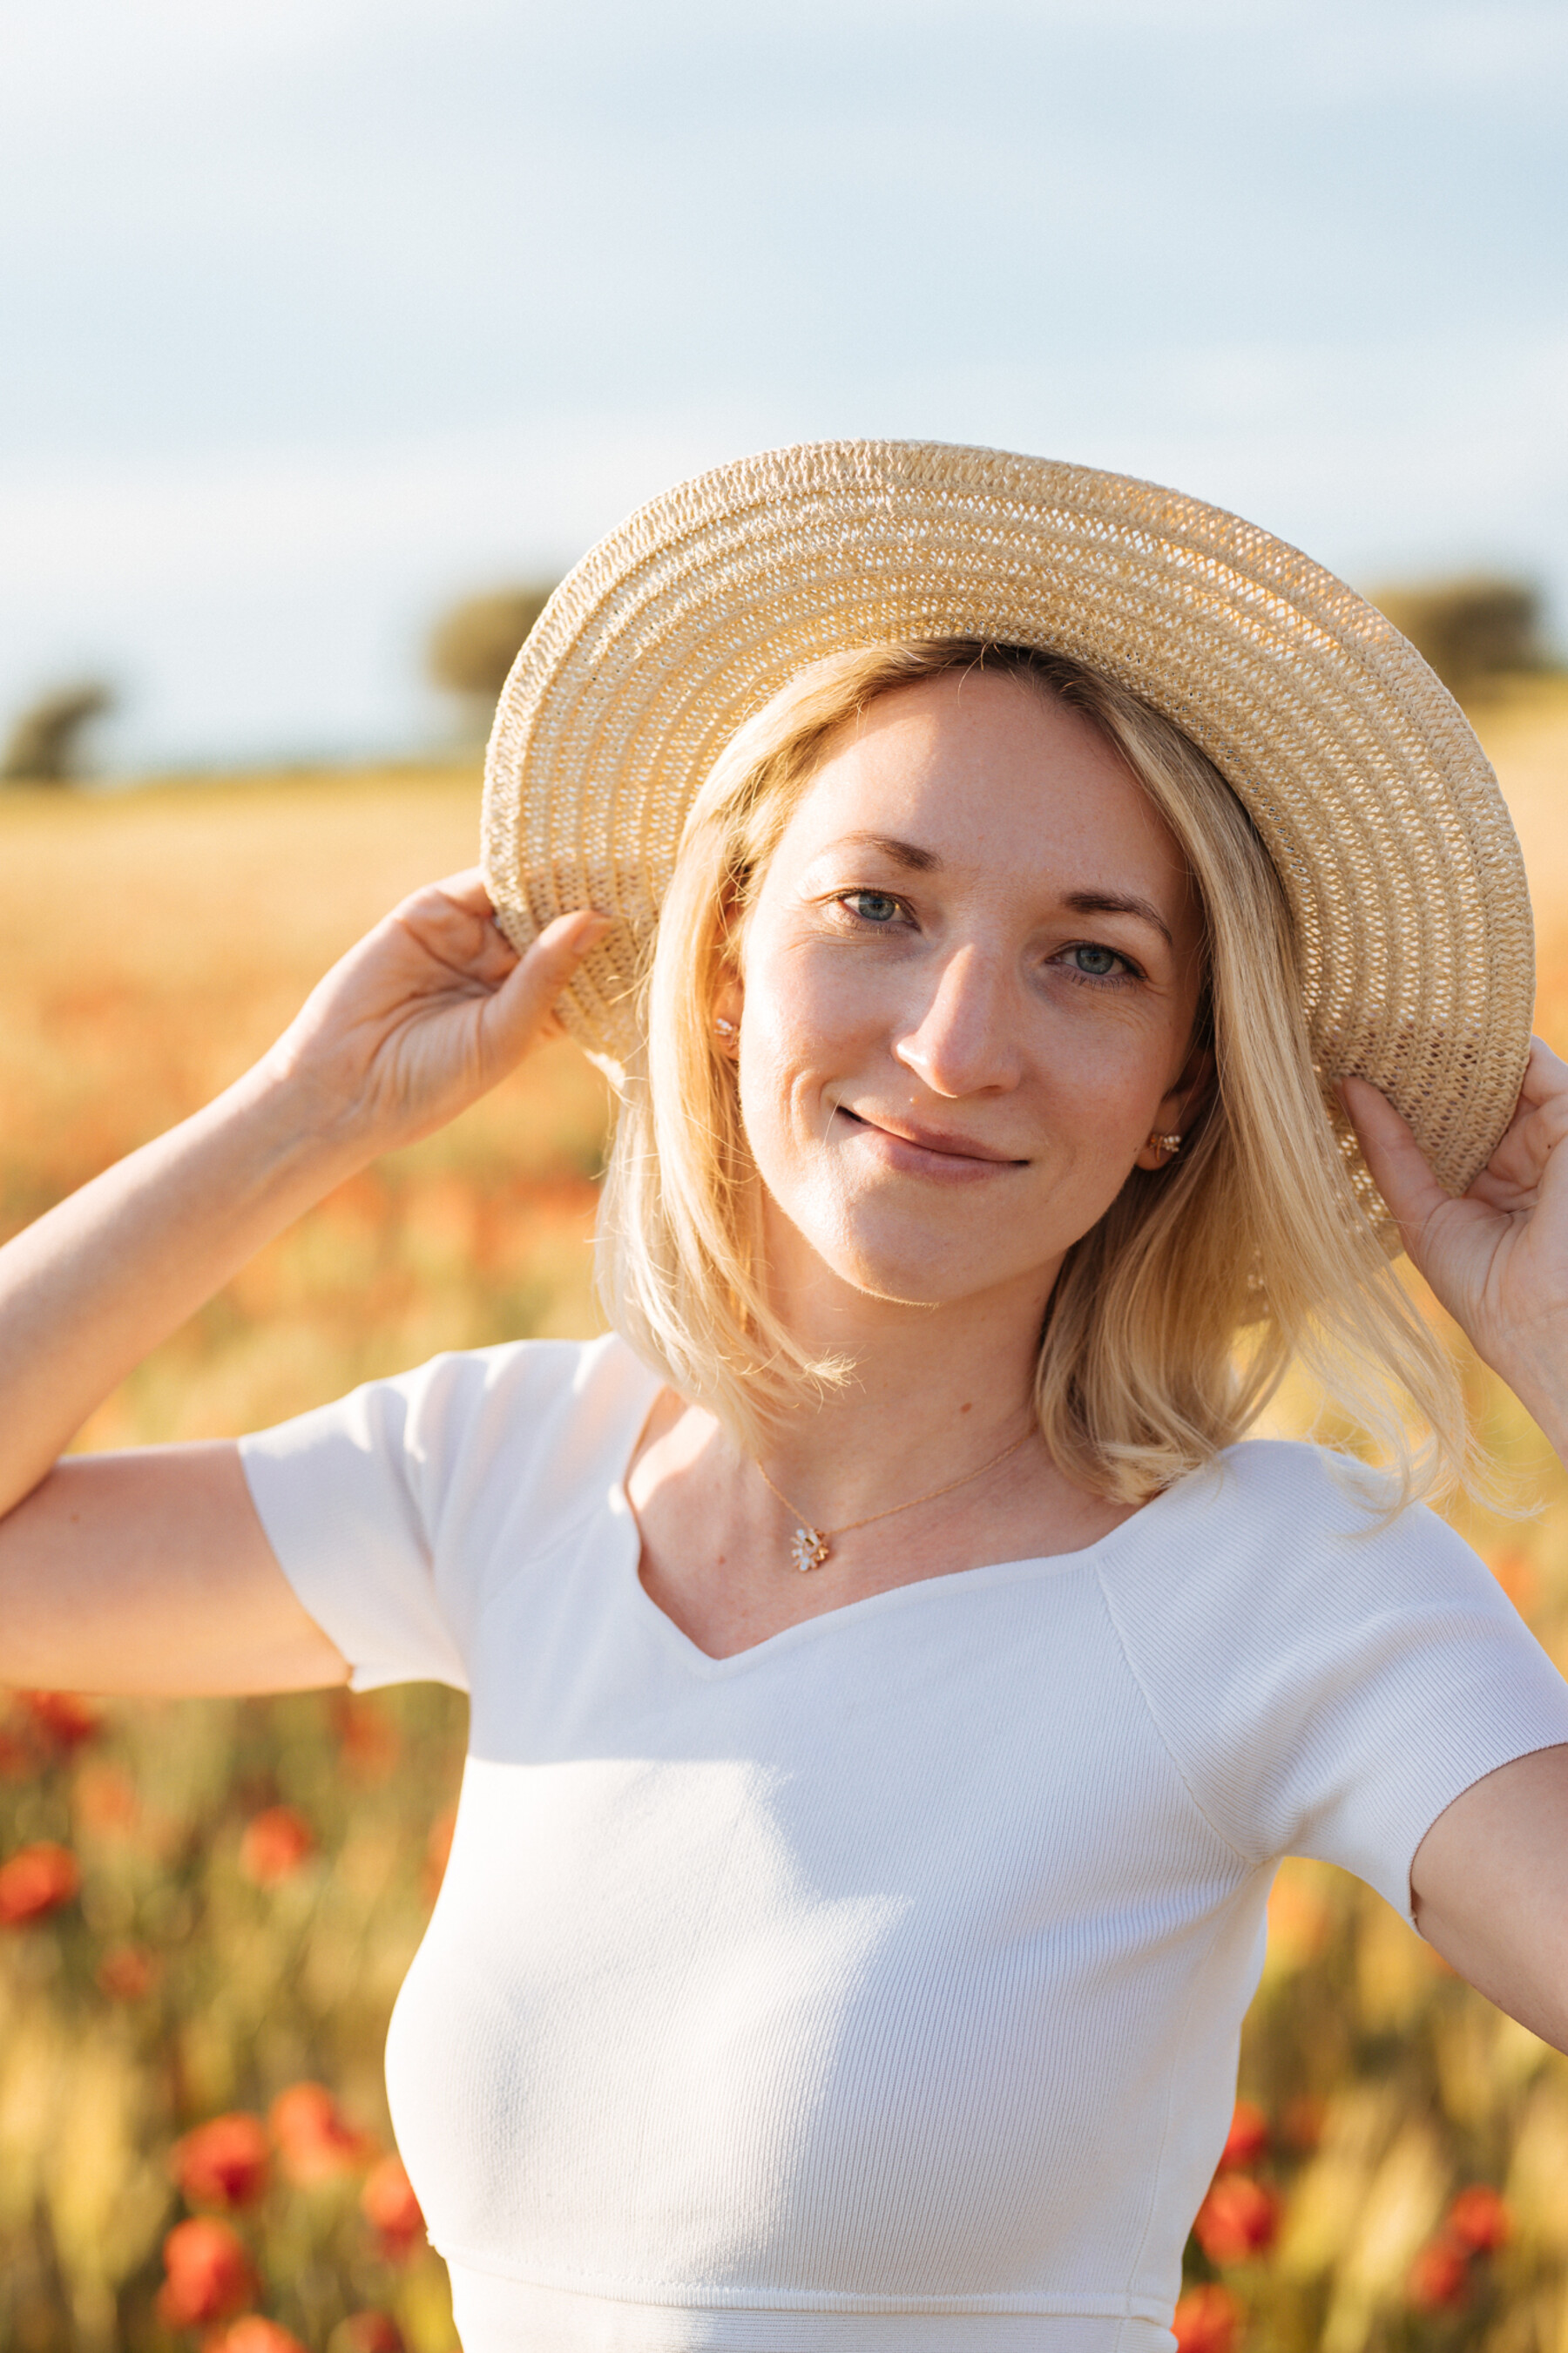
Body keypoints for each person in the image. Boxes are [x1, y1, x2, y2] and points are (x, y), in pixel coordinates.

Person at [4, 440, 1568, 2353]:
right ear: (728, 952)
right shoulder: (502, 1470)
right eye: (878, 909)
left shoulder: (1292, 1586)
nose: (956, 1041)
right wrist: (301, 1118)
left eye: (1091, 956)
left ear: (1181, 1084)